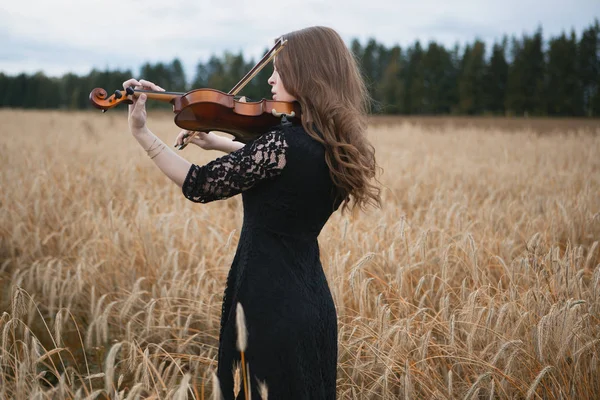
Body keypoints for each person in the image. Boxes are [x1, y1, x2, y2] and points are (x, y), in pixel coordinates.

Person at [123, 26, 381, 400]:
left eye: (281, 69)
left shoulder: (281, 141)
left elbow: (200, 183)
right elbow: (283, 171)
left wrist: (143, 135)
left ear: (307, 74)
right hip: (312, 304)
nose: (272, 78)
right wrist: (218, 142)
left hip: (266, 303)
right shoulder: (333, 147)